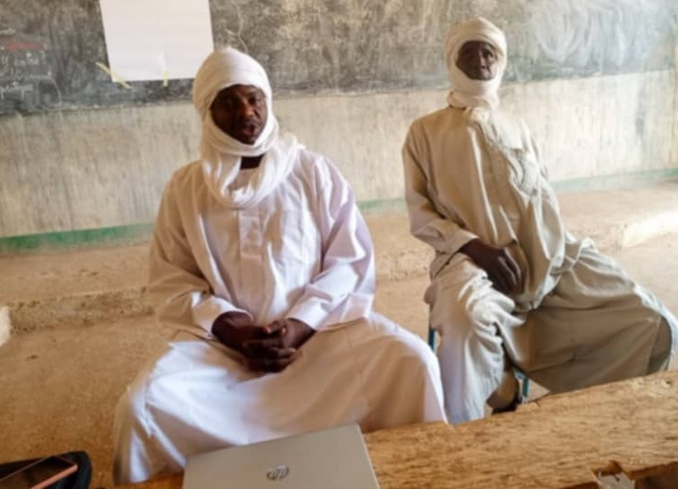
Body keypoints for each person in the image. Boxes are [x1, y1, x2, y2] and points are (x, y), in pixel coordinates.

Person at [113, 47, 446, 485]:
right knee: (141, 408)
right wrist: (232, 328)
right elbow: (172, 281)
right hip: (222, 352)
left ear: (268, 101)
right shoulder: (185, 188)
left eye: (254, 98)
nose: (246, 112)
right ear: (208, 113)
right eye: (228, 102)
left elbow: (348, 261)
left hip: (320, 338)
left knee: (412, 361)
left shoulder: (313, 171)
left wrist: (298, 324)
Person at [402, 18, 678, 424]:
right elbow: (420, 212)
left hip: (549, 255)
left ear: (502, 61)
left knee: (649, 320)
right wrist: (475, 247)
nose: (480, 61)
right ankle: (483, 421)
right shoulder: (424, 132)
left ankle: (578, 415)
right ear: (452, 61)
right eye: (469, 52)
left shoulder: (518, 127)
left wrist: (547, 255)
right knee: (464, 322)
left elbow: (542, 200)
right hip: (468, 260)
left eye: (489, 52)